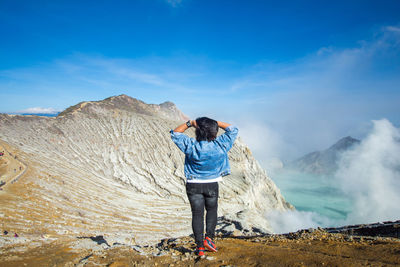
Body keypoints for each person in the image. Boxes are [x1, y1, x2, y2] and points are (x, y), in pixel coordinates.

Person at [170, 117, 238, 256]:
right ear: (214, 132)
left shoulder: (191, 145)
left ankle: (200, 247)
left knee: (197, 215)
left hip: (193, 184)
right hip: (212, 184)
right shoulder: (220, 145)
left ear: (198, 131)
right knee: (212, 211)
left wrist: (190, 123)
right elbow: (233, 129)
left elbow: (175, 133)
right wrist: (214, 123)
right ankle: (209, 239)